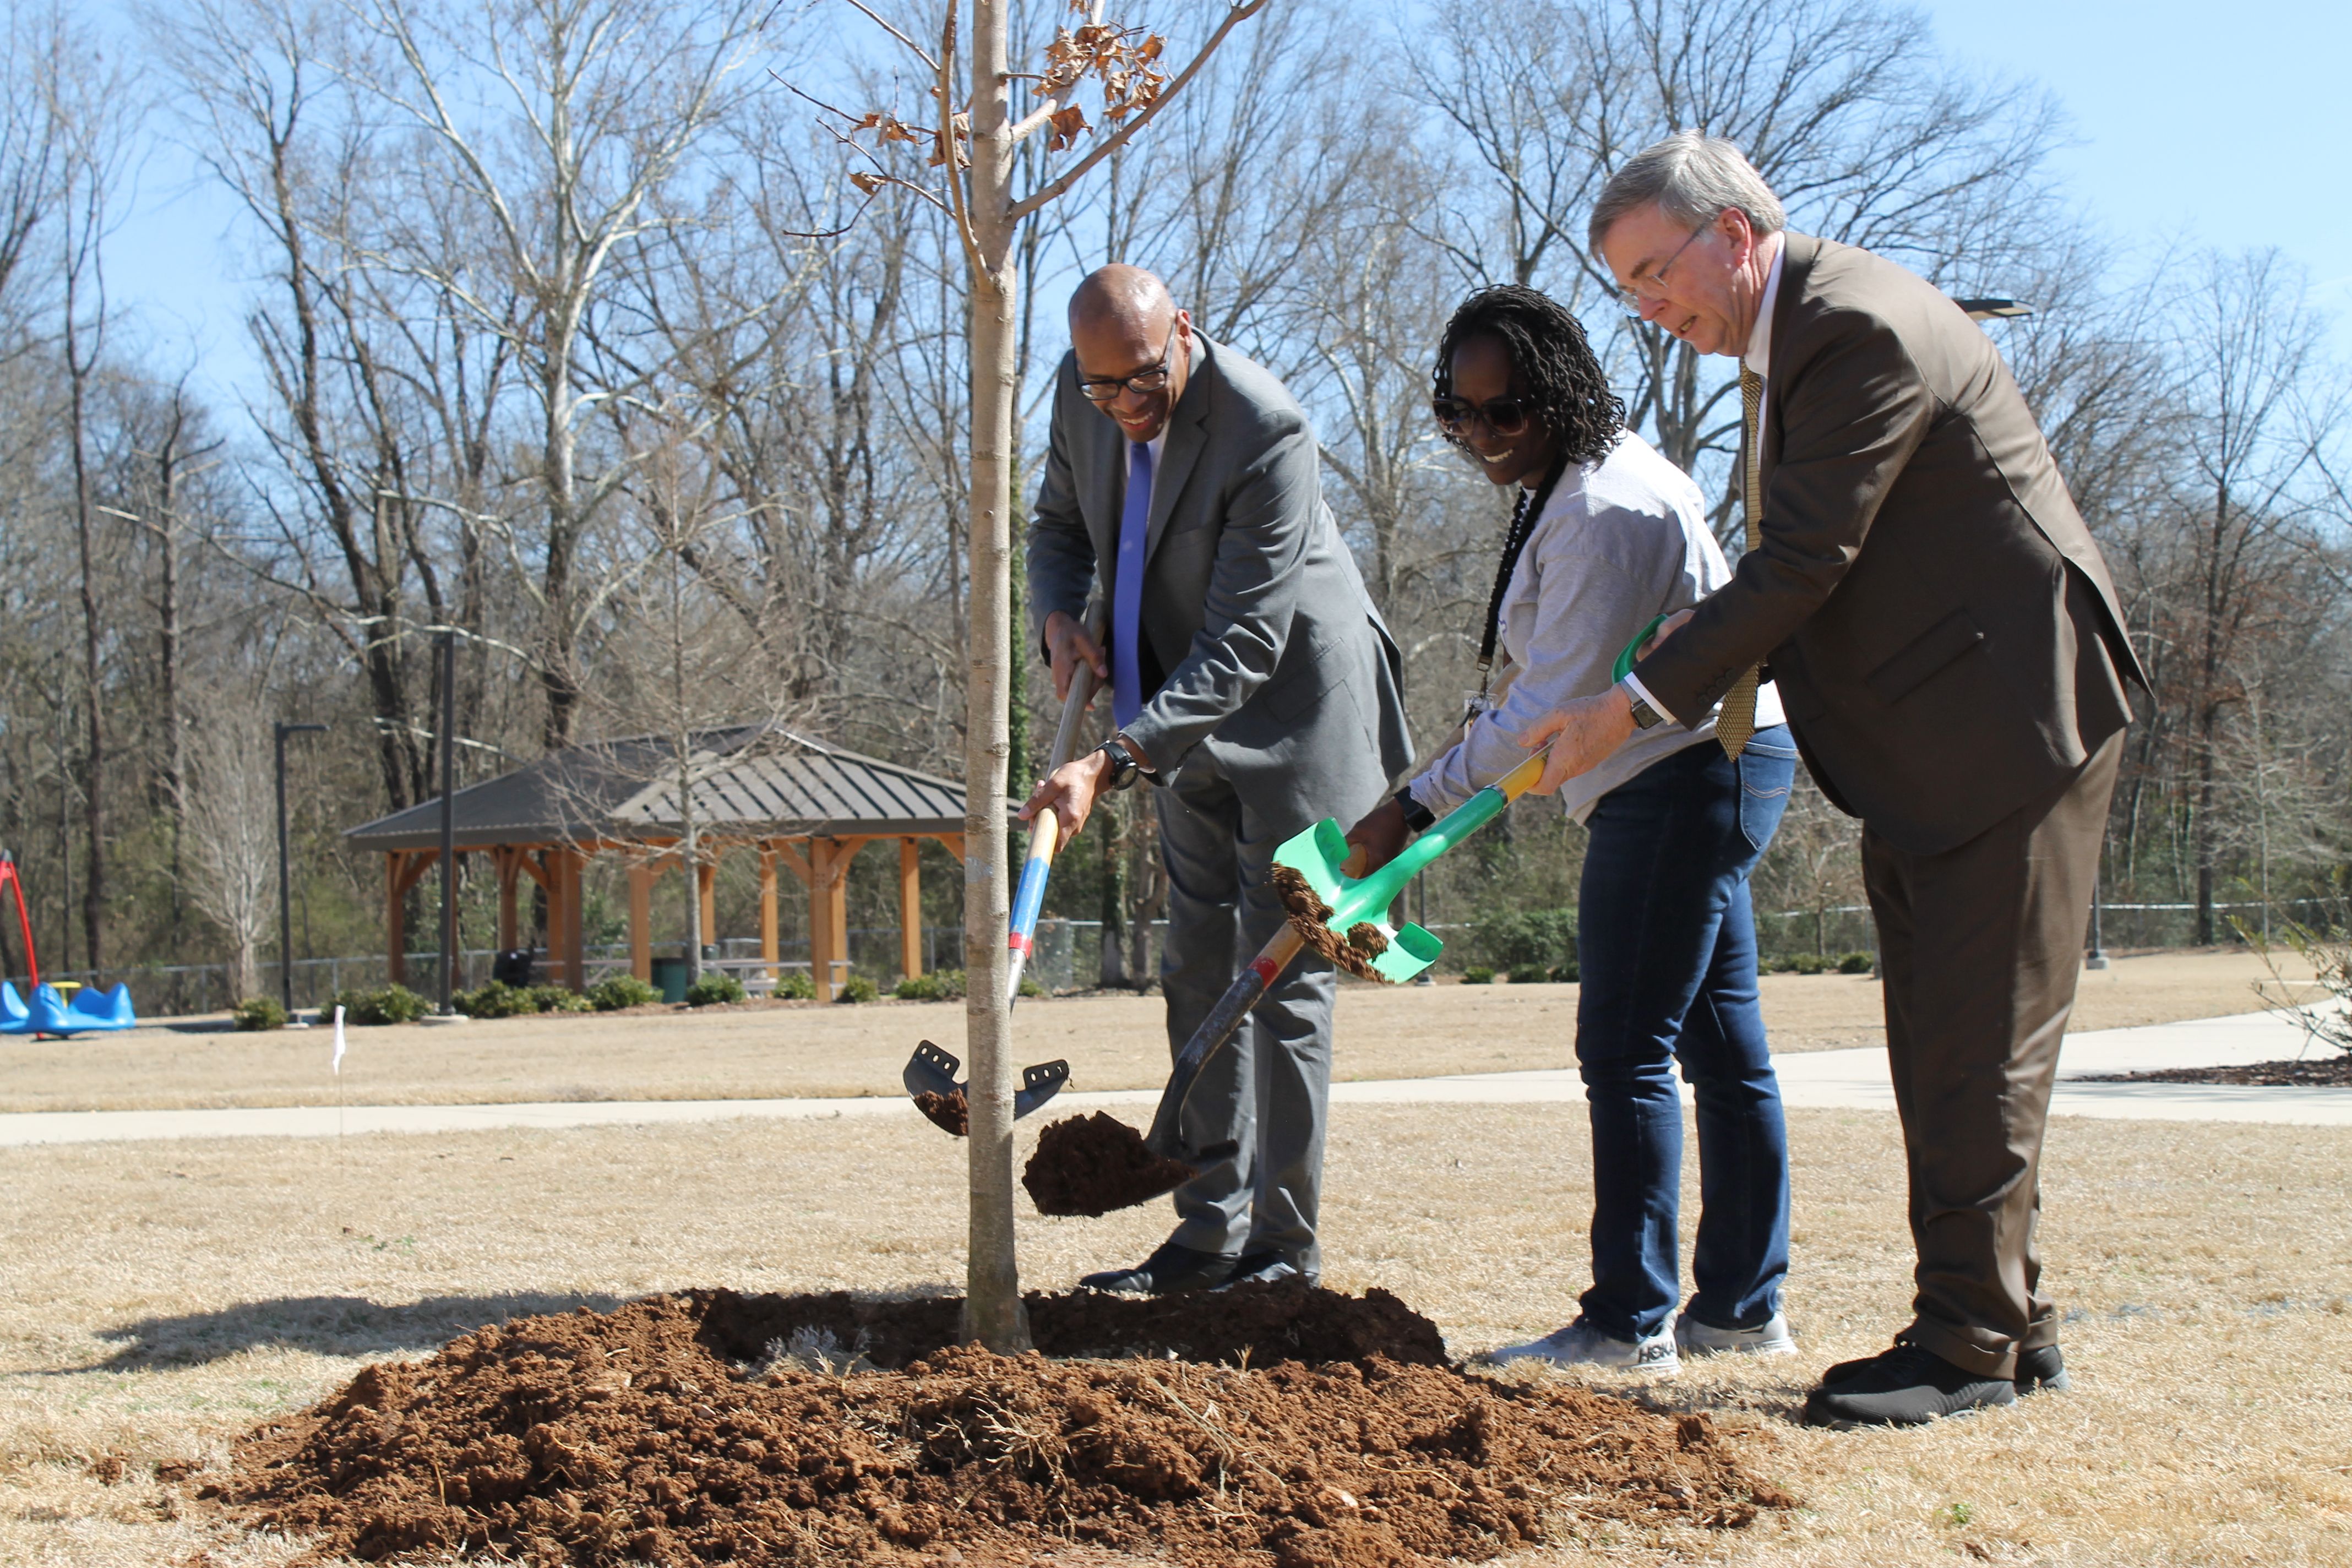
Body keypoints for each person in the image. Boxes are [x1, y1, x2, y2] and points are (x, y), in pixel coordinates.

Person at [1528, 132, 2146, 1427]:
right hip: (1937, 744)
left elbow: (1805, 558)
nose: (1648, 307)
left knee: (1977, 1044)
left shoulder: (1850, 324)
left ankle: (1966, 1343)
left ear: (1738, 233)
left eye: (1657, 272)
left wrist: (1631, 705)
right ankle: (2005, 1314)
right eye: (1629, 288)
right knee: (1938, 1037)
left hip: (2009, 726)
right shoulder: (1794, 334)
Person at [1344, 285, 1799, 1376]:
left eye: (1508, 413)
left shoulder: (1597, 512)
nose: (1484, 436)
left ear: (1561, 394)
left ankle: (1629, 1321)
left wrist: (1409, 804)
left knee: (1625, 1047)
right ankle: (1739, 1308)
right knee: (1721, 1048)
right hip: (1717, 762)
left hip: (1678, 772)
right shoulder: (1587, 480)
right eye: (1461, 413)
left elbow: (1546, 719)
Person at [1023, 264, 1413, 1294]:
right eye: (1106, 389)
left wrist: (1110, 762)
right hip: (1174, 716)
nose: (1127, 407)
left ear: (1184, 332)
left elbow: (1245, 641)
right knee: (1196, 968)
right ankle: (1207, 1235)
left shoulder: (1266, 427)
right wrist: (1059, 619)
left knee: (1281, 980)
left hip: (1296, 713)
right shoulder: (1084, 392)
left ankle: (1283, 1252)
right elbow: (1057, 530)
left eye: (1145, 381)